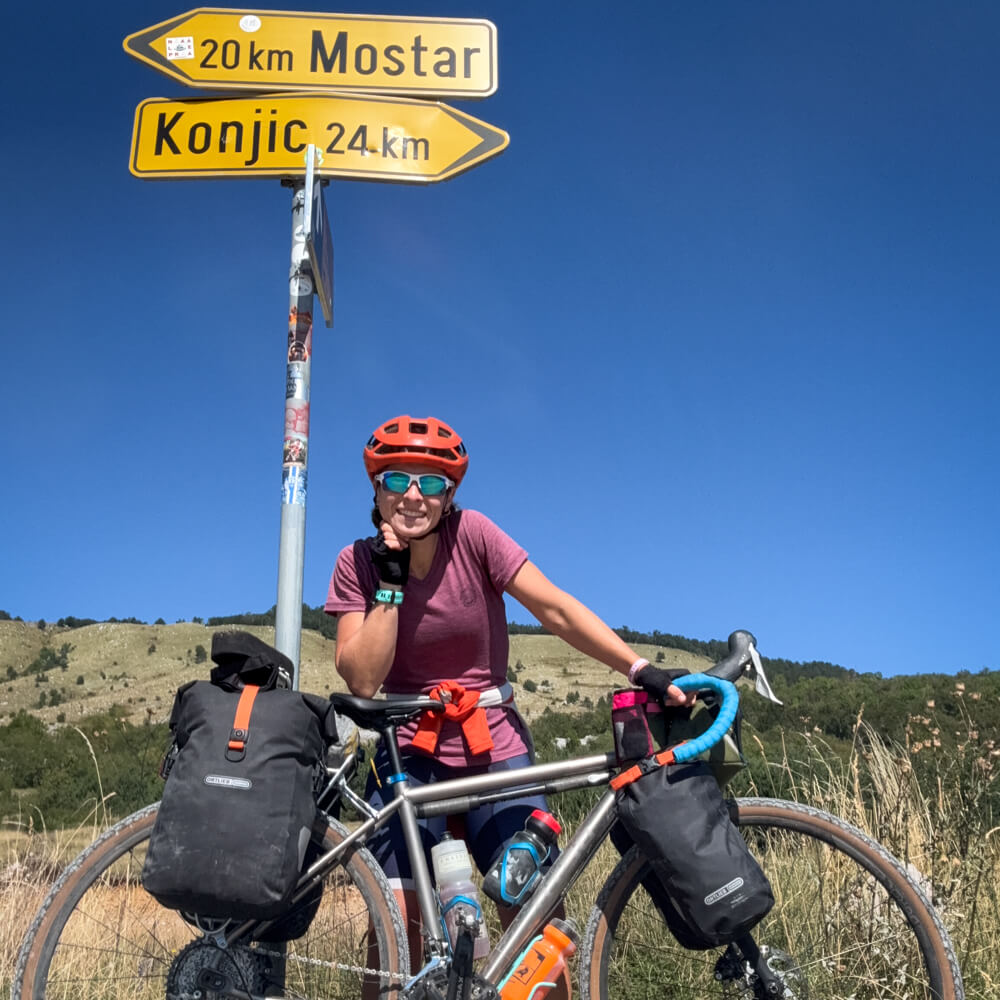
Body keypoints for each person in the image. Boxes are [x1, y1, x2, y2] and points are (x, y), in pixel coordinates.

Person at [324, 414, 694, 979]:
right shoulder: (355, 563)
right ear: (376, 487)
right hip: (408, 753)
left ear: (451, 494)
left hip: (492, 744)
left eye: (432, 482)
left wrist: (637, 666)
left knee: (535, 918)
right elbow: (362, 680)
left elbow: (554, 608)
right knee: (396, 932)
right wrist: (390, 583)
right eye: (397, 480)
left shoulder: (474, 535)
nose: (414, 495)